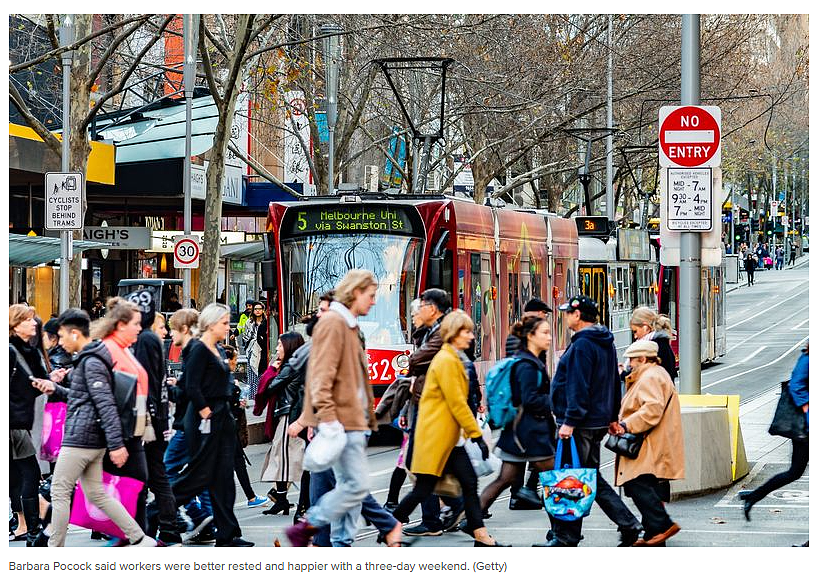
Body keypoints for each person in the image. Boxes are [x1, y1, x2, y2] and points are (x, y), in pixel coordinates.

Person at [389, 310, 503, 547]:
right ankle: (390, 527)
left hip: (448, 438)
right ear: (453, 333)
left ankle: (480, 535)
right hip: (437, 439)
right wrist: (477, 437)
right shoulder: (446, 361)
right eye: (467, 331)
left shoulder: (452, 357)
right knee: (424, 489)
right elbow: (457, 403)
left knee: (467, 484)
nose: (472, 336)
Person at [45, 305, 157, 547]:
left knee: (60, 491)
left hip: (81, 439)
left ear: (74, 333)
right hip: (90, 439)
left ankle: (54, 550)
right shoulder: (91, 359)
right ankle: (138, 536)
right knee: (96, 493)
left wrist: (116, 444)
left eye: (62, 335)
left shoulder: (91, 361)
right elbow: (81, 397)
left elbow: (105, 404)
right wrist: (54, 388)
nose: (60, 342)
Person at [285, 269, 381, 547]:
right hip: (341, 422)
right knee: (355, 486)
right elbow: (320, 377)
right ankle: (309, 525)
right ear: (355, 292)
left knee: (350, 489)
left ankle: (339, 545)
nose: (374, 301)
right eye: (371, 295)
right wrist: (327, 420)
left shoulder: (348, 324)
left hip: (351, 421)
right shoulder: (334, 324)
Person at [539, 295, 642, 547]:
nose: (564, 317)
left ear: (577, 315)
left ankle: (568, 535)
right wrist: (611, 416)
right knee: (587, 475)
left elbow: (578, 385)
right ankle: (625, 524)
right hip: (594, 420)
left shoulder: (583, 344)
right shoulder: (605, 341)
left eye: (567, 313)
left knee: (574, 476)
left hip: (580, 423)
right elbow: (610, 383)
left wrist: (569, 421)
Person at [171, 303, 254, 547]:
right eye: (225, 323)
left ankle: (227, 534)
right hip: (207, 420)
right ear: (210, 323)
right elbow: (191, 385)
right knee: (198, 476)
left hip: (222, 417)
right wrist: (204, 410)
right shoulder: (198, 349)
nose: (228, 327)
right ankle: (155, 514)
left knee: (223, 480)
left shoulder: (216, 349)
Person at [401, 288, 463, 536]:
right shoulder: (430, 331)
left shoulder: (442, 332)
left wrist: (414, 359)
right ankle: (454, 507)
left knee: (419, 462)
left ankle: (436, 517)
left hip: (431, 404)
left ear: (434, 308)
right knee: (426, 463)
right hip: (422, 401)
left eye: (422, 305)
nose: (417, 309)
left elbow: (415, 361)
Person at [479, 315, 555, 516]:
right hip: (530, 434)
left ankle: (473, 519)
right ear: (530, 336)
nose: (549, 338)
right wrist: (556, 401)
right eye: (545, 333)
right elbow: (529, 400)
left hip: (519, 432)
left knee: (505, 479)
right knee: (557, 480)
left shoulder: (529, 361)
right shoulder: (527, 366)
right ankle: (563, 531)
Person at [611, 340, 684, 546]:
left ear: (643, 359)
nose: (629, 363)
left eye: (632, 359)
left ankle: (661, 525)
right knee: (645, 484)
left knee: (636, 482)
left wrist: (626, 425)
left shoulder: (651, 376)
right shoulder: (653, 374)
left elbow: (652, 409)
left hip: (650, 443)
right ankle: (654, 535)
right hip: (653, 441)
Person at [9, 305, 68, 545]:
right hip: (13, 421)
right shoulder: (11, 351)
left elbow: (31, 385)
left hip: (21, 420)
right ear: (15, 324)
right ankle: (33, 528)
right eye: (28, 320)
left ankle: (28, 526)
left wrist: (50, 381)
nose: (34, 324)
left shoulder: (29, 351)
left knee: (18, 473)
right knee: (29, 472)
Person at [130, 291, 179, 544]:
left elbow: (145, 382)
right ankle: (160, 528)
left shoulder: (145, 340)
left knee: (148, 476)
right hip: (155, 416)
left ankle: (148, 530)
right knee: (154, 475)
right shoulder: (149, 340)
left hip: (149, 419)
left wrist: (144, 418)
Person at [740, 343, 808, 523]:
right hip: (805, 429)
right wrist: (807, 407)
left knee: (794, 472)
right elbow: (796, 385)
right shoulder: (808, 358)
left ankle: (754, 496)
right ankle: (754, 496)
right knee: (794, 472)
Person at [164, 308, 216, 544]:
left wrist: (171, 389)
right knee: (199, 472)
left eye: (172, 329)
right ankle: (206, 519)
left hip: (189, 424)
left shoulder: (193, 351)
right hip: (193, 423)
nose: (169, 334)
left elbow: (190, 390)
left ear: (184, 329)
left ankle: (200, 515)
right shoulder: (197, 350)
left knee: (168, 468)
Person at [504, 298, 553, 510]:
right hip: (525, 410)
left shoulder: (525, 338)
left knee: (521, 459)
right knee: (542, 459)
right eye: (544, 314)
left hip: (528, 409)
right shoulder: (520, 343)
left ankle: (524, 493)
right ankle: (523, 494)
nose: (546, 319)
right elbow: (524, 379)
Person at [258, 332, 306, 516]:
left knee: (285, 458)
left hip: (290, 415)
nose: (277, 348)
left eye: (279, 345)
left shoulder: (290, 367)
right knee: (282, 456)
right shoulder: (295, 365)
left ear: (289, 347)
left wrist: (271, 369)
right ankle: (282, 499)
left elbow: (269, 387)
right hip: (290, 413)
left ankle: (291, 499)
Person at [223, 344, 267, 508]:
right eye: (235, 359)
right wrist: (237, 398)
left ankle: (250, 496)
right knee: (229, 464)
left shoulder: (226, 378)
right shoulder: (226, 380)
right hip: (227, 427)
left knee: (237, 462)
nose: (235, 363)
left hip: (230, 427)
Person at [626, 307, 677, 382]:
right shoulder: (662, 343)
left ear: (645, 327)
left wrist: (624, 373)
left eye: (635, 331)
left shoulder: (652, 349)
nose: (635, 336)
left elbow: (646, 378)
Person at [242, 302, 268, 399]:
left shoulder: (266, 322)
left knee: (262, 373)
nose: (257, 310)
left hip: (263, 350)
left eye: (260, 309)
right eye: (256, 309)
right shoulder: (249, 322)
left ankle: (261, 395)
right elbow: (244, 337)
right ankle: (253, 396)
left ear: (263, 310)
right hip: (252, 350)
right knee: (252, 374)